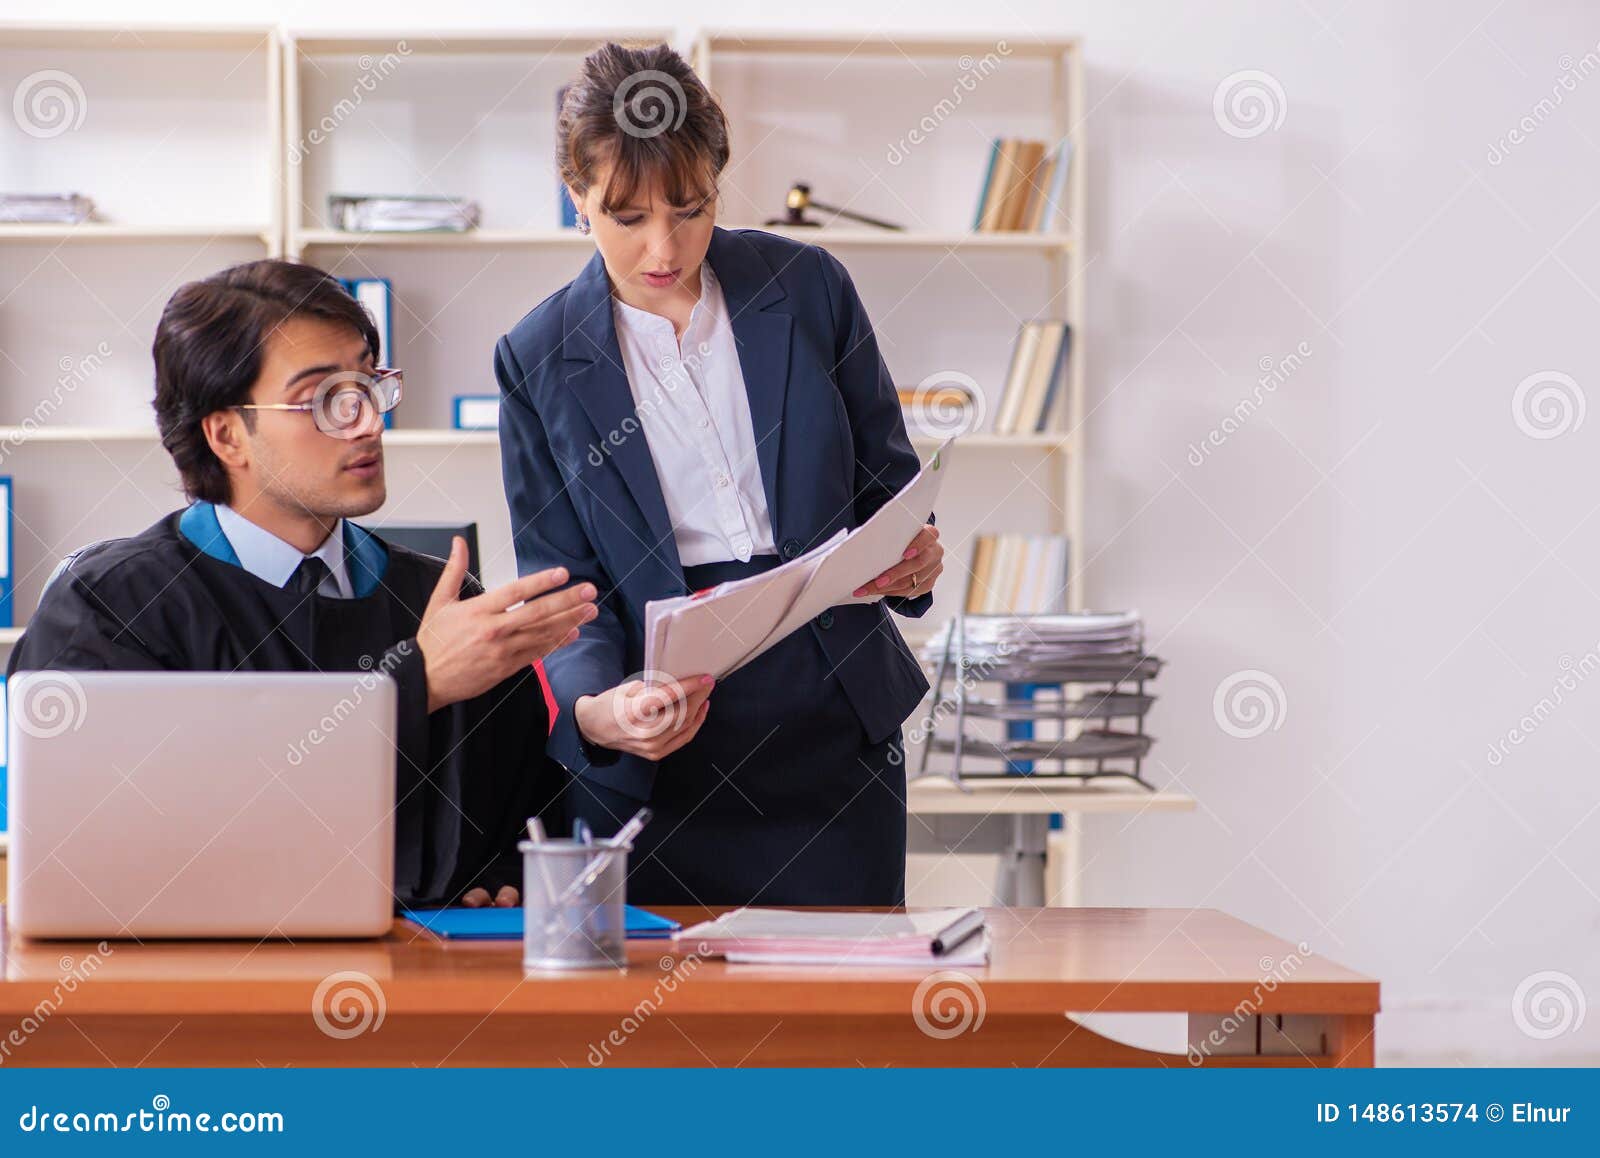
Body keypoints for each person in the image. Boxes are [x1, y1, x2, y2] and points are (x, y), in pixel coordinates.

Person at [494, 42, 944, 907]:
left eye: (691, 209)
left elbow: (889, 488)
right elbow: (564, 585)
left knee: (843, 1022)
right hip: (660, 745)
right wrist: (603, 712)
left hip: (833, 725)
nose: (664, 247)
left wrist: (915, 559)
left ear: (719, 183)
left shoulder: (809, 286)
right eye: (626, 216)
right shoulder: (537, 355)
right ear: (576, 198)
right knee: (663, 1033)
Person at [9, 259, 597, 909]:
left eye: (367, 383)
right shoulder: (112, 609)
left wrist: (600, 732)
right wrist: (415, 684)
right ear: (228, 433)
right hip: (201, 997)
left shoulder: (443, 601)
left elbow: (528, 831)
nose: (368, 421)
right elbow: (132, 844)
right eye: (323, 398)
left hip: (429, 993)